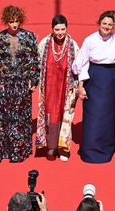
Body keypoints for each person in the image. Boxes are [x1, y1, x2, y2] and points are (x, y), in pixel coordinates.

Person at [0, 5, 40, 163]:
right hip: (4, 84)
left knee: (20, 119)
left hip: (21, 85)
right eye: (11, 21)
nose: (14, 24)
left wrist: (33, 81)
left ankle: (18, 153)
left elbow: (35, 61)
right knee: (1, 119)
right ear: (5, 21)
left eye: (16, 21)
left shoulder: (29, 37)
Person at [72, 10, 115, 163]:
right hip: (94, 77)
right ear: (99, 23)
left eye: (110, 24)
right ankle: (90, 149)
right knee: (93, 114)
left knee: (109, 114)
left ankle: (107, 146)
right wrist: (81, 85)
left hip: (111, 78)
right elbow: (80, 62)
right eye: (104, 23)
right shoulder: (89, 40)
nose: (107, 27)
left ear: (114, 26)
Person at [36, 14, 79, 162]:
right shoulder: (44, 43)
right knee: (51, 116)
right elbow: (37, 64)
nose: (60, 32)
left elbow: (79, 68)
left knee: (65, 116)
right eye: (57, 29)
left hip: (66, 87)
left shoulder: (73, 45)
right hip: (49, 87)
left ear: (67, 28)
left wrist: (78, 87)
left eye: (63, 29)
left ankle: (63, 147)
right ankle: (51, 146)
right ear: (52, 29)